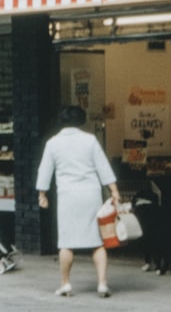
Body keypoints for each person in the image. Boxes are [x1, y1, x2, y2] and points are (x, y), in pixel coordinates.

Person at [36, 105, 120, 298]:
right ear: (81, 120)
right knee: (97, 242)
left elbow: (45, 170)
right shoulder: (89, 140)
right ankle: (102, 284)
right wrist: (114, 190)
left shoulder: (53, 143)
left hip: (68, 195)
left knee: (66, 241)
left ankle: (65, 284)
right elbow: (103, 167)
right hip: (91, 194)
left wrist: (42, 194)